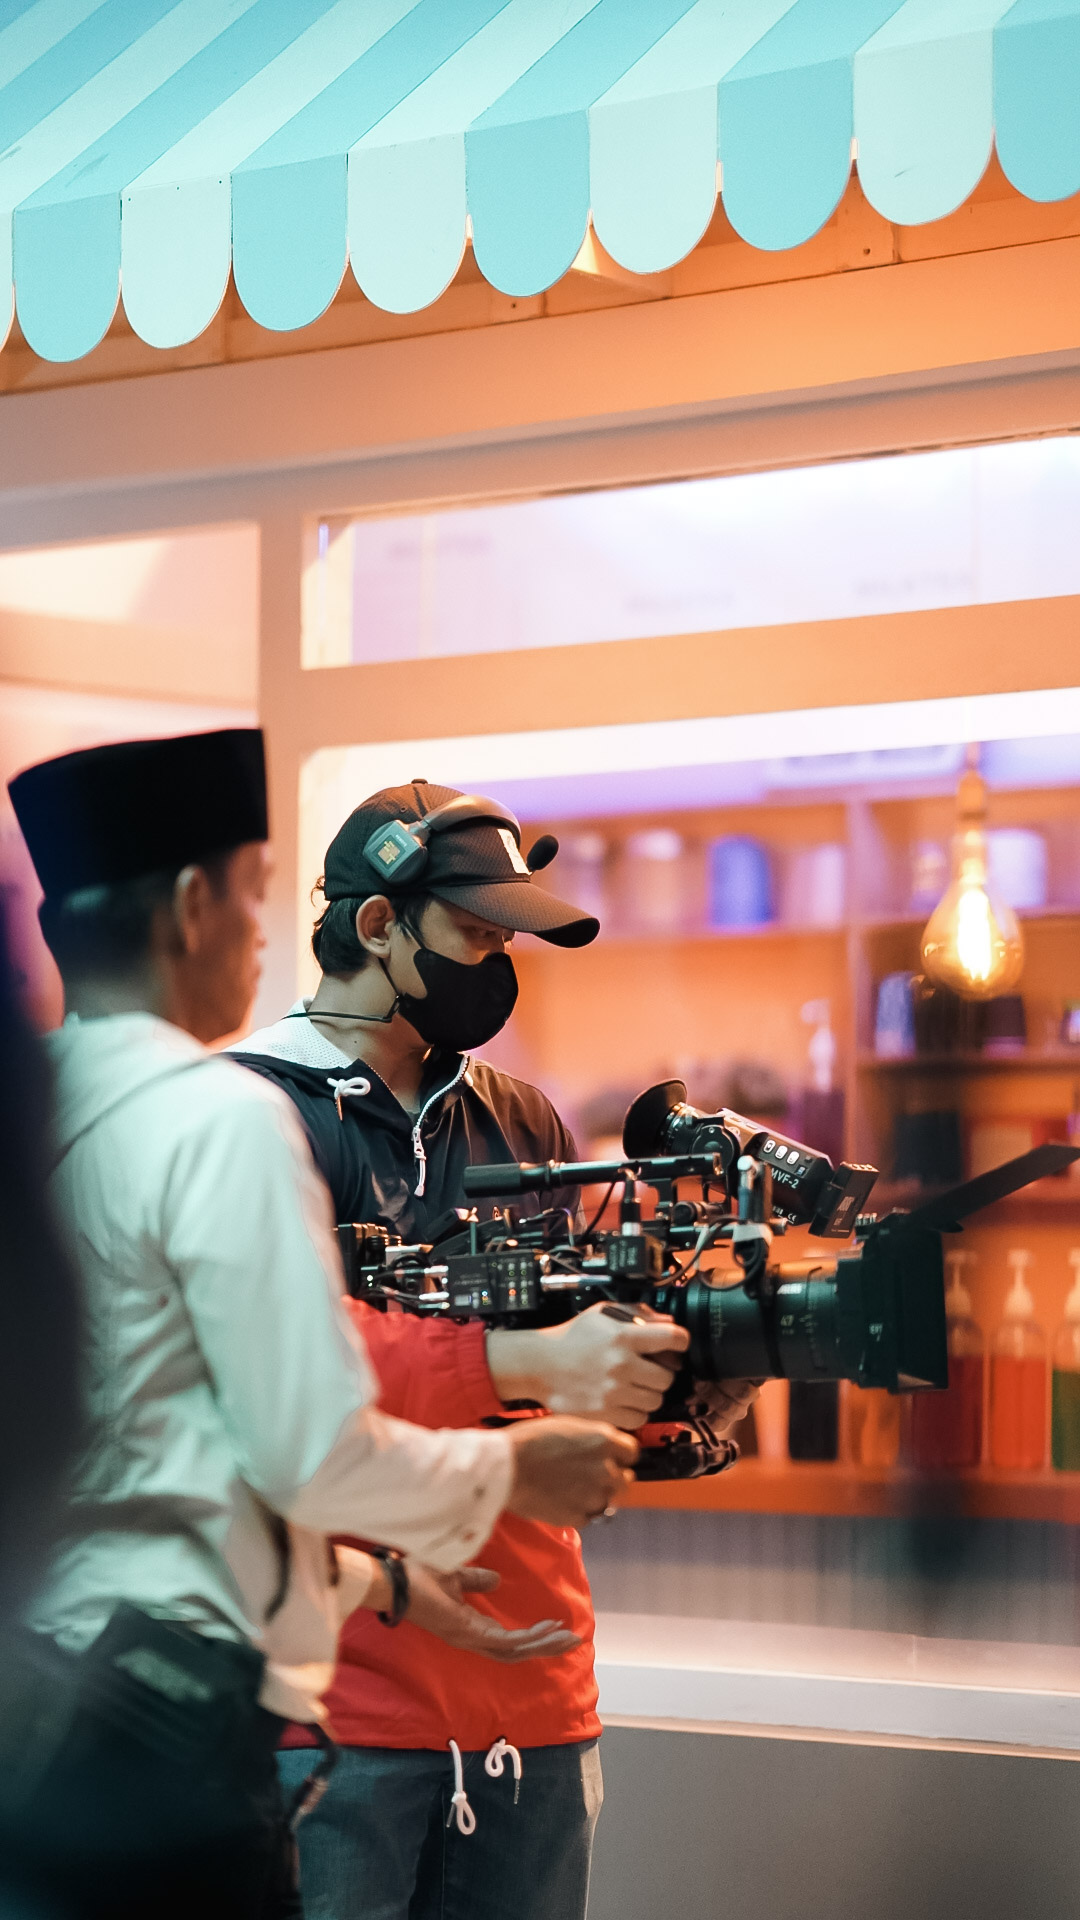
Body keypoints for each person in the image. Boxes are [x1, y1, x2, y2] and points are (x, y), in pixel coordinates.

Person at [0, 736, 635, 1920]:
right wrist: (513, 1455)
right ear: (191, 906)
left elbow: (159, 1441)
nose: (266, 933)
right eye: (252, 892)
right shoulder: (230, 1115)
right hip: (197, 1706)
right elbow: (306, 1445)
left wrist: (374, 1577)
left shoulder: (45, 1106)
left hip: (60, 1688)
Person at [232, 780, 758, 1920]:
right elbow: (270, 1386)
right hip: (335, 1708)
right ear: (379, 924)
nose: (500, 965)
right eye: (477, 934)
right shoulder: (249, 1111)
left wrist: (690, 1381)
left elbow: (563, 1392)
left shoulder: (526, 1121)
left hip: (537, 1691)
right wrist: (504, 1364)